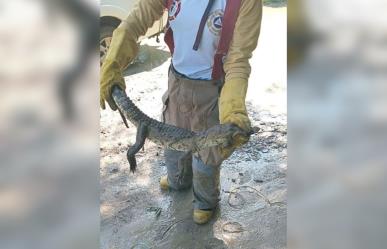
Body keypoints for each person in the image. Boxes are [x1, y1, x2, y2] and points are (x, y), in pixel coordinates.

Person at [100, 0, 262, 224]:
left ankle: (206, 202)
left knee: (208, 154)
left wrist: (233, 110)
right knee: (173, 145)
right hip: (177, 82)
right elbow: (136, 20)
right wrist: (113, 61)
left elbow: (238, 60)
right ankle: (178, 181)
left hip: (211, 89)